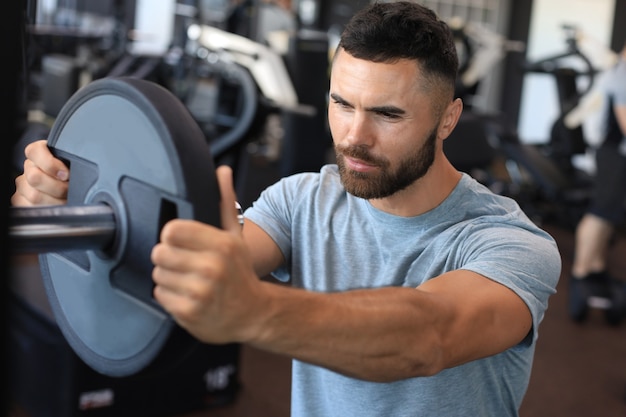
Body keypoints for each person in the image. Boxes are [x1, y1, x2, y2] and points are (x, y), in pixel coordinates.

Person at [12, 2, 561, 416]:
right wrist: (70, 201)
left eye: (387, 115)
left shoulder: (509, 242)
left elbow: (429, 336)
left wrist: (252, 309)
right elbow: (199, 256)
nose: (354, 136)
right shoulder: (302, 199)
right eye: (341, 103)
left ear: (447, 119)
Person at [568, 41, 626, 324]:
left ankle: (597, 266)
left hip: (617, 153)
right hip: (614, 154)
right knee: (600, 212)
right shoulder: (623, 73)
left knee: (609, 215)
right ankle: (580, 272)